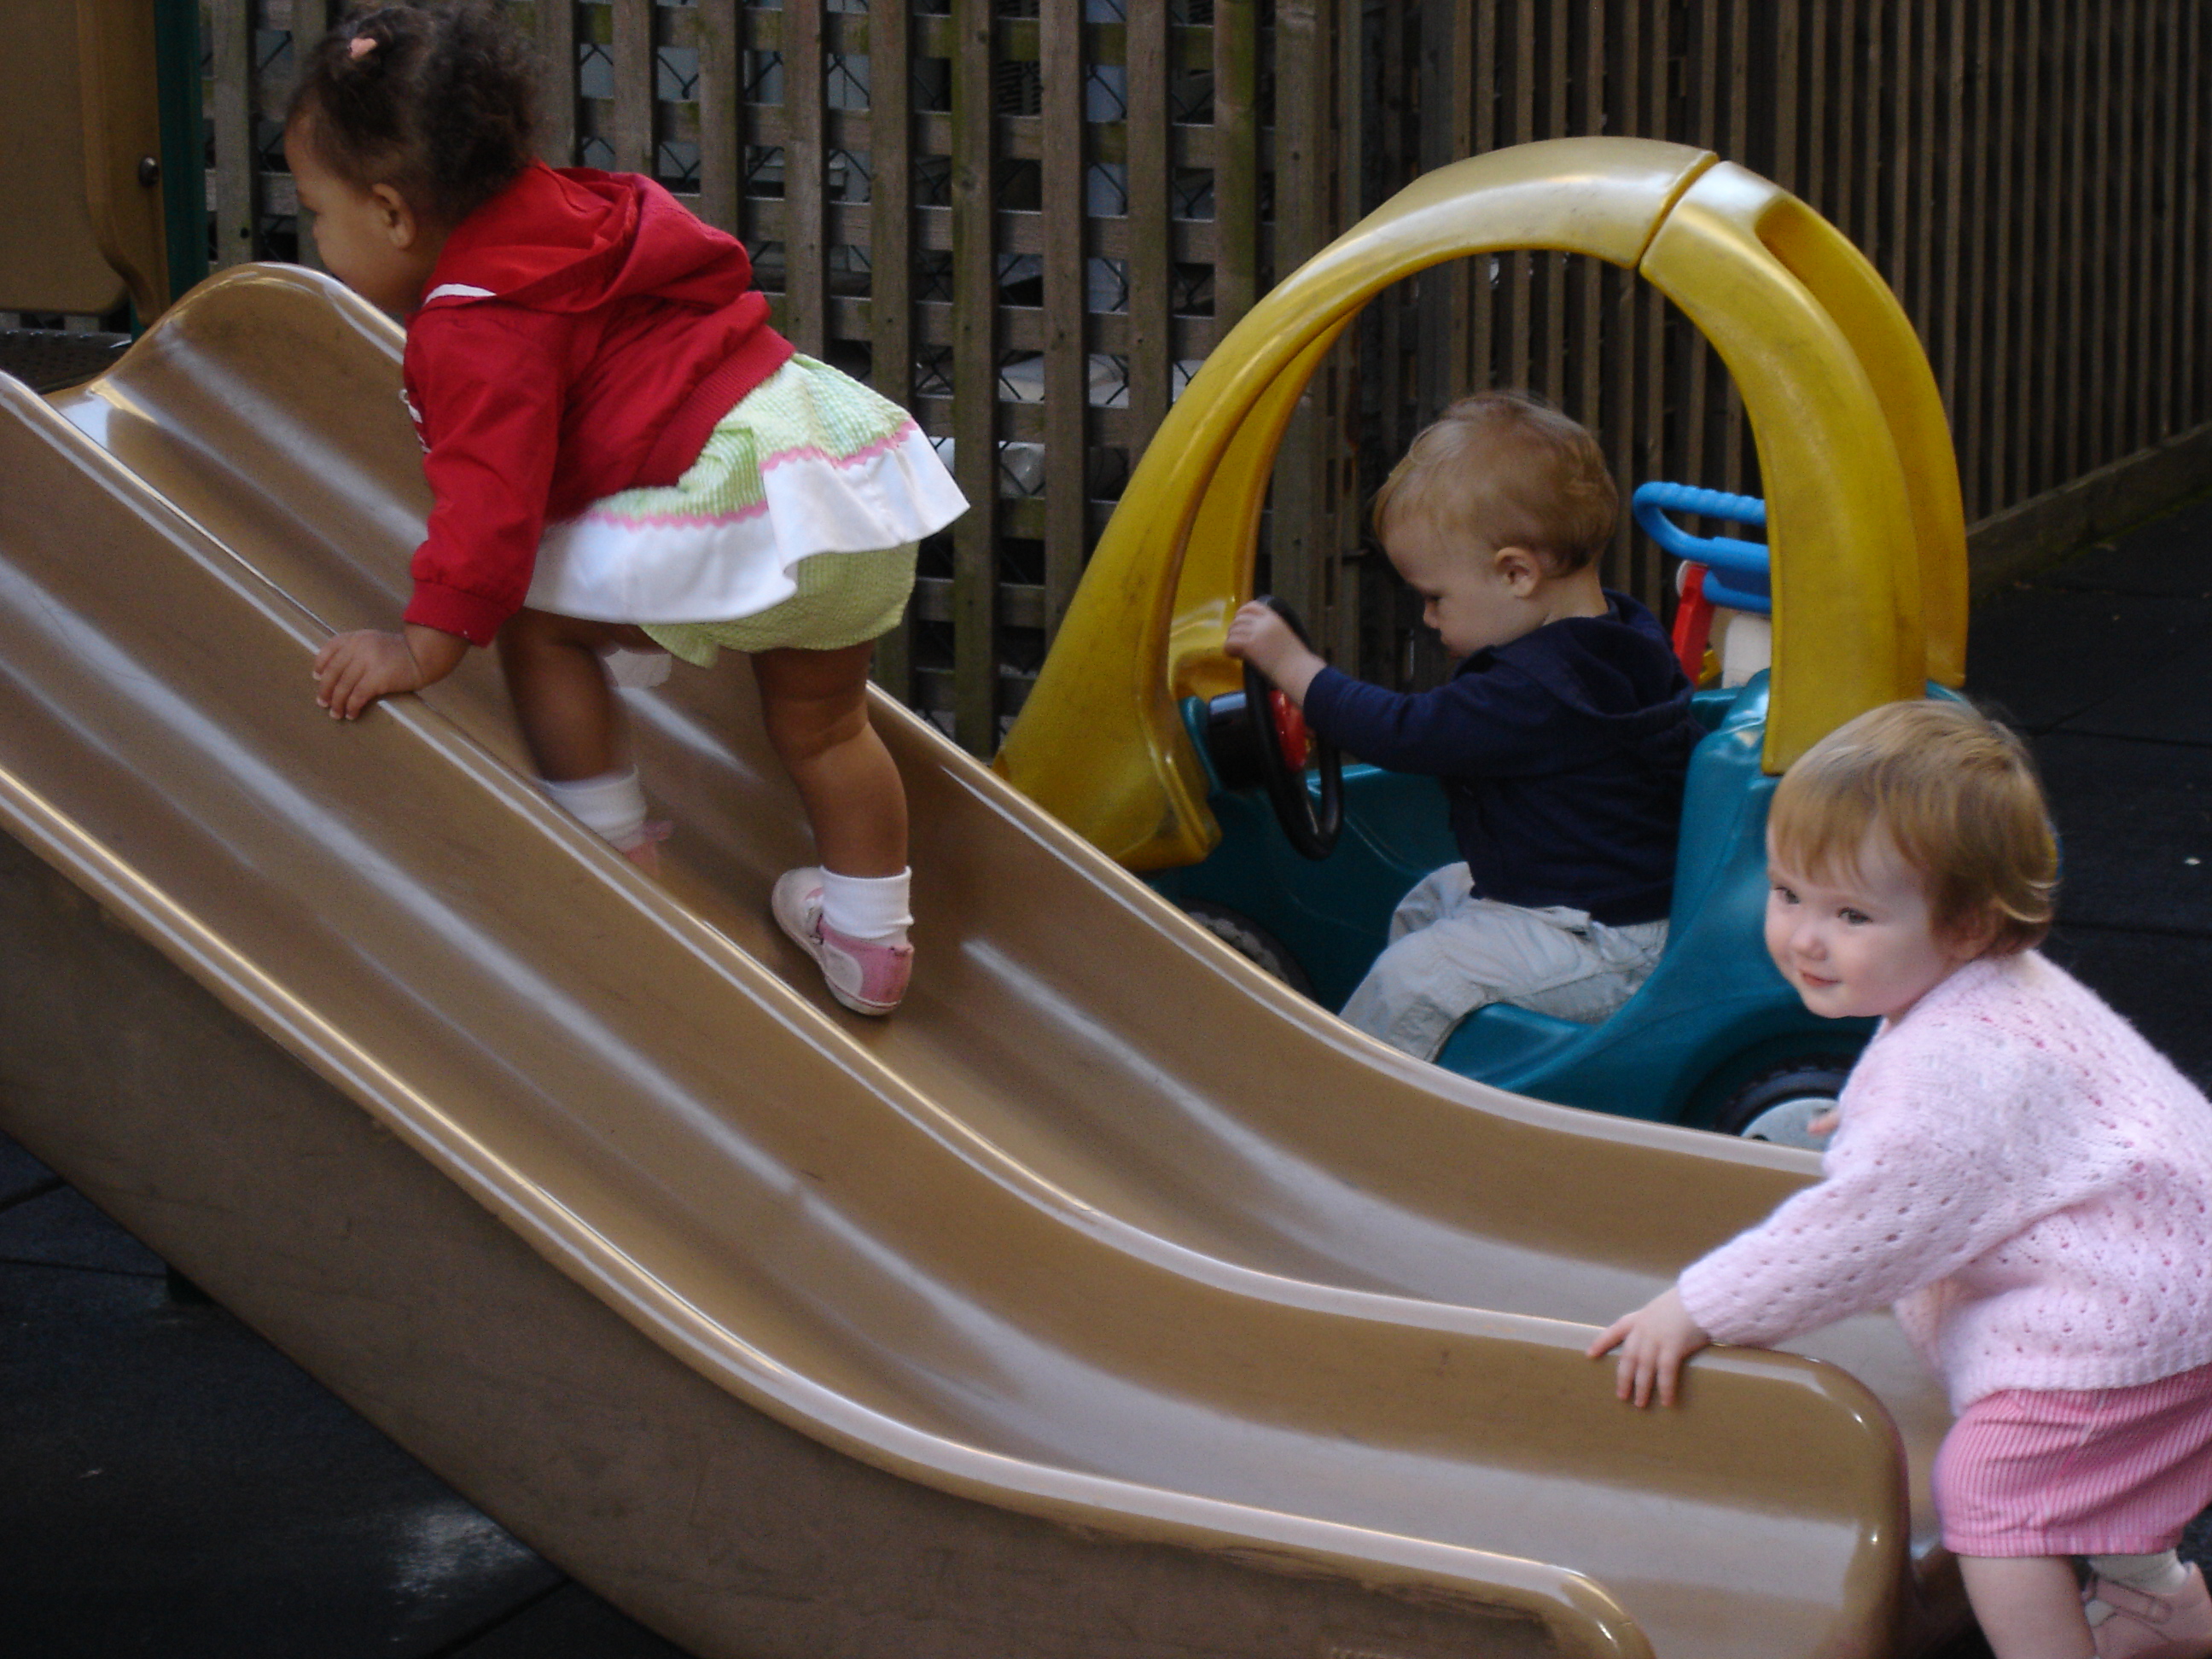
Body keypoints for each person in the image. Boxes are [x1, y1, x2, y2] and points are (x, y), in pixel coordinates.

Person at [288, 3, 965, 1016]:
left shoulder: (474, 323)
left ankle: (606, 866)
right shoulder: (587, 209)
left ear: (391, 212)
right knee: (828, 728)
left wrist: (423, 647)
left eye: (317, 212)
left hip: (741, 505)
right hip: (841, 474)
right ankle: (871, 943)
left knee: (536, 619)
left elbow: (490, 514)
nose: (315, 235)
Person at [1590, 700, 2212, 1659]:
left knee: (1997, 1490)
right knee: (2098, 1460)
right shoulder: (1993, 992)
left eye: (1851, 915)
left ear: (1967, 925)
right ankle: (2162, 1609)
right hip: (2169, 1278)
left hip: (2130, 1315)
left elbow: (1855, 1236)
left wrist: (1698, 1307)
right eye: (1788, 893)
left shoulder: (1952, 1070)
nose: (1805, 937)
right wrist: (1877, 1115)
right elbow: (2009, 1120)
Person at [1225, 391, 1703, 1059]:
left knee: (1413, 977)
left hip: (1603, 945)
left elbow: (1402, 733)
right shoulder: (1617, 636)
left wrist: (1293, 667)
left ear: (1516, 573)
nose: (1428, 618)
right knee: (1432, 899)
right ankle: (1442, 1063)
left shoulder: (1541, 692)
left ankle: (1346, 1097)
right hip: (1586, 911)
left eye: (1435, 597)